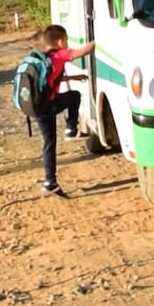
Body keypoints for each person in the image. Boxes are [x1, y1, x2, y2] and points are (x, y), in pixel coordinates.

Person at [36, 24, 95, 198]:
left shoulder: (42, 57)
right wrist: (100, 40)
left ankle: (50, 183)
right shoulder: (59, 53)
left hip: (37, 106)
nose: (67, 43)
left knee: (49, 143)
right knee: (74, 96)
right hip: (48, 105)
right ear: (60, 41)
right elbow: (81, 52)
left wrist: (72, 77)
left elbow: (52, 77)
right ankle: (71, 129)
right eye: (66, 40)